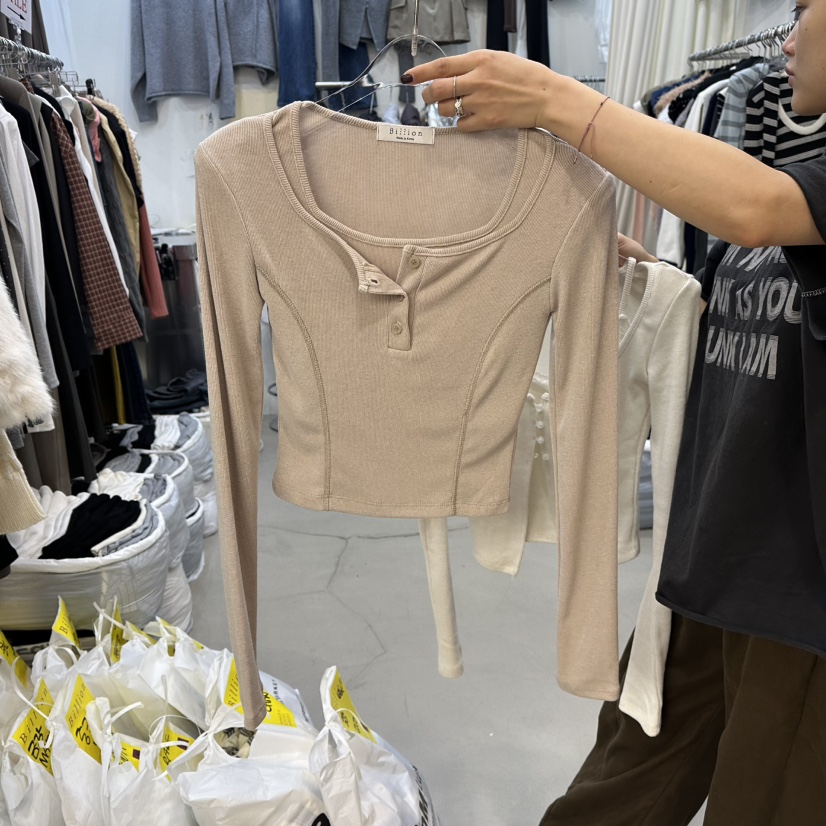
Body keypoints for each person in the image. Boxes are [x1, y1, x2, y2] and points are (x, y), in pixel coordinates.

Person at [403, 5, 826, 825]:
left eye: (807, 10)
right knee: (620, 781)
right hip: (716, 555)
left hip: (799, 595)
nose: (787, 37)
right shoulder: (797, 158)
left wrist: (554, 99)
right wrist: (654, 281)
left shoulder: (781, 185)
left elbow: (757, 209)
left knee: (761, 798)